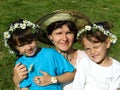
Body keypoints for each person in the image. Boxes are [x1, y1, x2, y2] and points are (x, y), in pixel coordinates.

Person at [13, 10, 91, 90]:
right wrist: (16, 81)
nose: (64, 38)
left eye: (69, 33)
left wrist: (52, 79)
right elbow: (23, 86)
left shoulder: (87, 58)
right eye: (59, 33)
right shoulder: (44, 57)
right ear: (50, 37)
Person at [4, 19, 76, 90]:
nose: (28, 48)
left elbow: (72, 73)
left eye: (30, 42)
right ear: (16, 48)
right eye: (22, 45)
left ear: (35, 38)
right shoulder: (20, 64)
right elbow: (24, 87)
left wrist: (52, 79)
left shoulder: (50, 54)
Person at [72, 21, 120, 90]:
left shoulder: (117, 68)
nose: (92, 52)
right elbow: (77, 86)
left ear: (107, 43)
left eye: (96, 47)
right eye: (88, 49)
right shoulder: (86, 62)